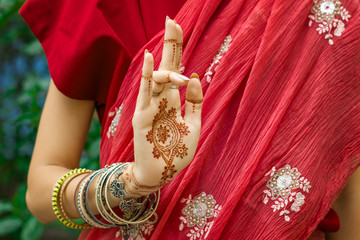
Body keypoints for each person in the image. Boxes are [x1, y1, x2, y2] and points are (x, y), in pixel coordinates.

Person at [20, 0, 360, 239]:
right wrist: (134, 181)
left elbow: (344, 168)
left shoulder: (331, 9)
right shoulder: (91, 5)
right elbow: (39, 189)